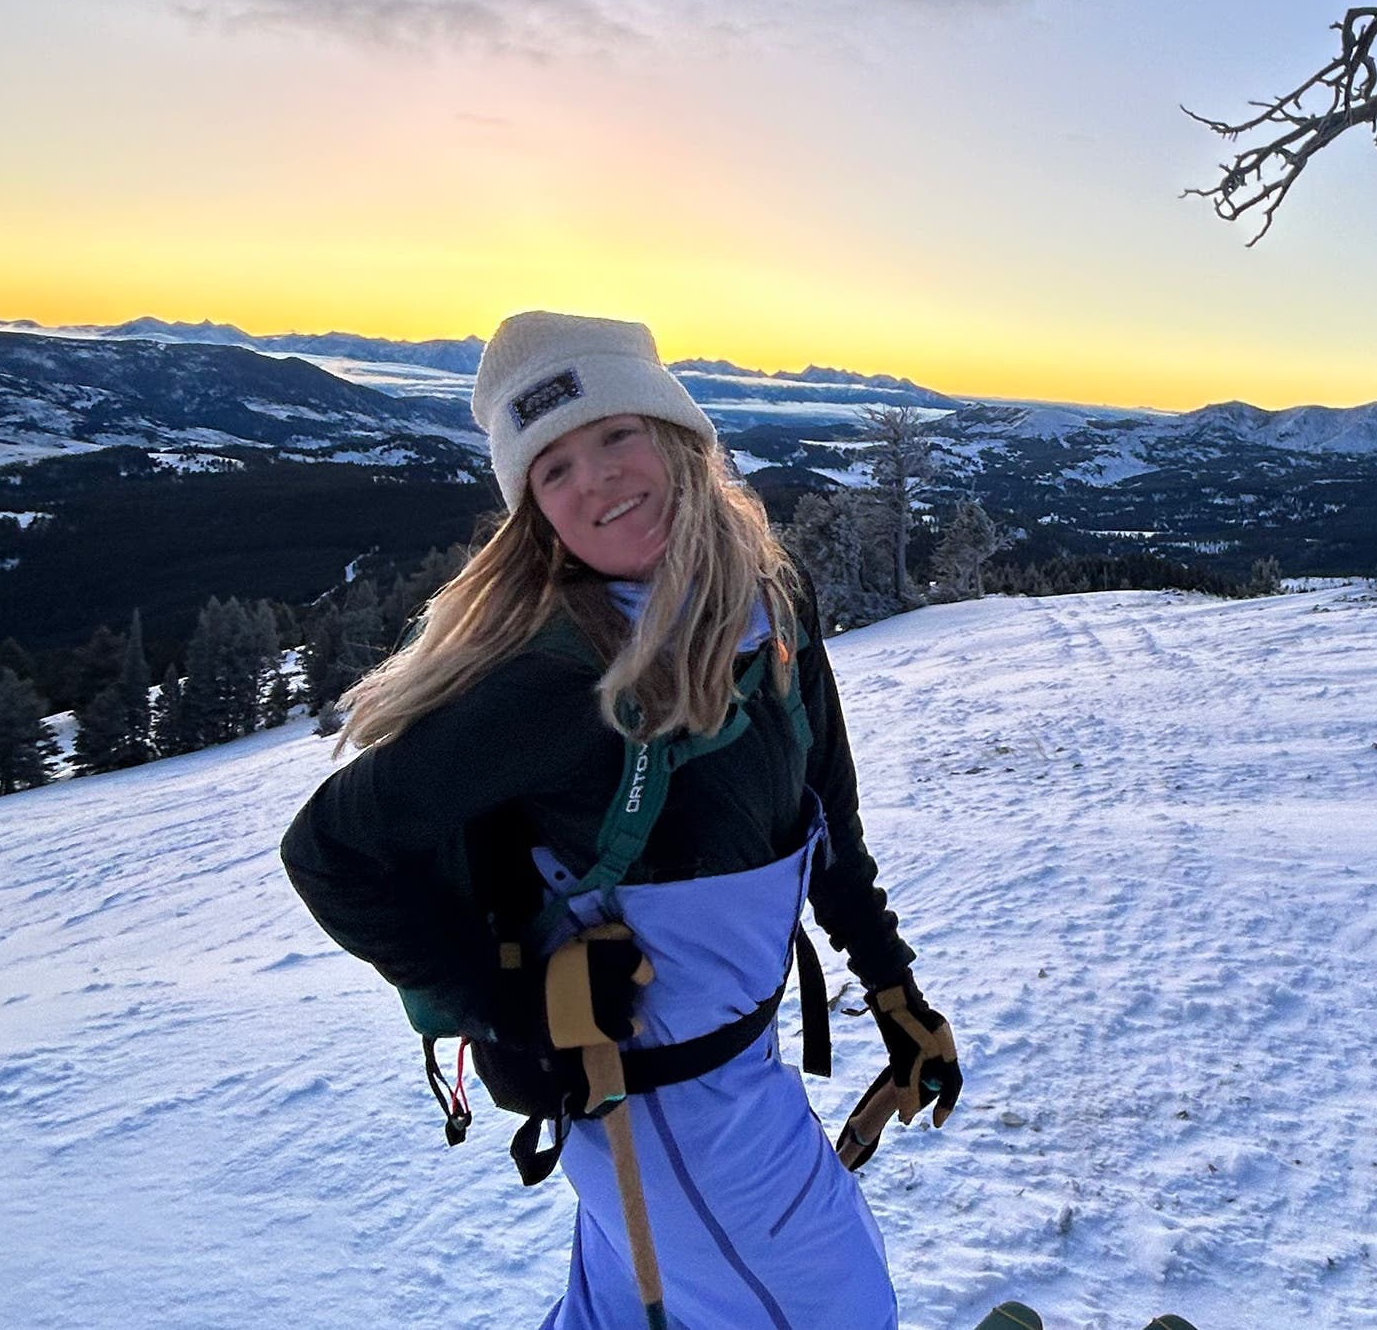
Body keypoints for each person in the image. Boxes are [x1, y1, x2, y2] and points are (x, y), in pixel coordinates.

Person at [279, 311, 961, 1329]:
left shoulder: (771, 599)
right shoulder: (560, 682)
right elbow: (329, 851)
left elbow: (826, 818)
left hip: (737, 1072)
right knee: (839, 1312)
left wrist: (892, 988)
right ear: (534, 511)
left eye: (612, 435)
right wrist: (509, 1010)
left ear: (679, 437)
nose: (592, 481)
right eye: (550, 469)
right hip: (655, 1108)